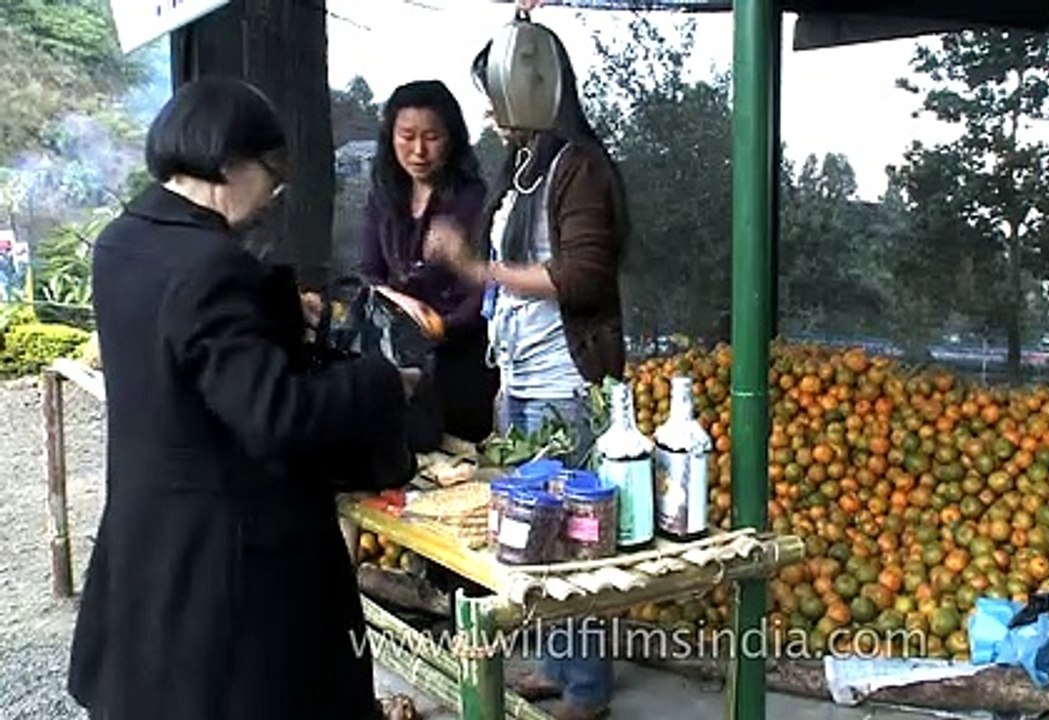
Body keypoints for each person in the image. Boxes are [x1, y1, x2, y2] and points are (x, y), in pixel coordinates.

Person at [67, 77, 421, 720]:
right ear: (229, 160)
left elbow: (179, 356)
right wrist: (376, 381)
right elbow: (275, 416)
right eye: (272, 171)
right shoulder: (210, 264)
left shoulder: (123, 241)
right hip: (225, 566)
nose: (273, 192)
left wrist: (273, 312)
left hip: (147, 543)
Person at [429, 30, 628, 720]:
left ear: (533, 89)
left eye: (494, 95)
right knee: (537, 528)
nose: (488, 112)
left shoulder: (580, 167)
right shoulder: (527, 163)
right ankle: (557, 662)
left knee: (572, 536)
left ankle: (588, 689)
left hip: (564, 379)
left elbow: (583, 273)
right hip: (520, 376)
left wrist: (480, 269)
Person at [356, 80, 498, 443]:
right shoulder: (383, 199)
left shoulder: (475, 200)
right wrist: (403, 304)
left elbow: (485, 289)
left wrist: (438, 327)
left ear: (451, 139)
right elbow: (370, 275)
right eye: (406, 136)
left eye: (431, 137)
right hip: (398, 364)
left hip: (462, 364)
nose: (418, 150)